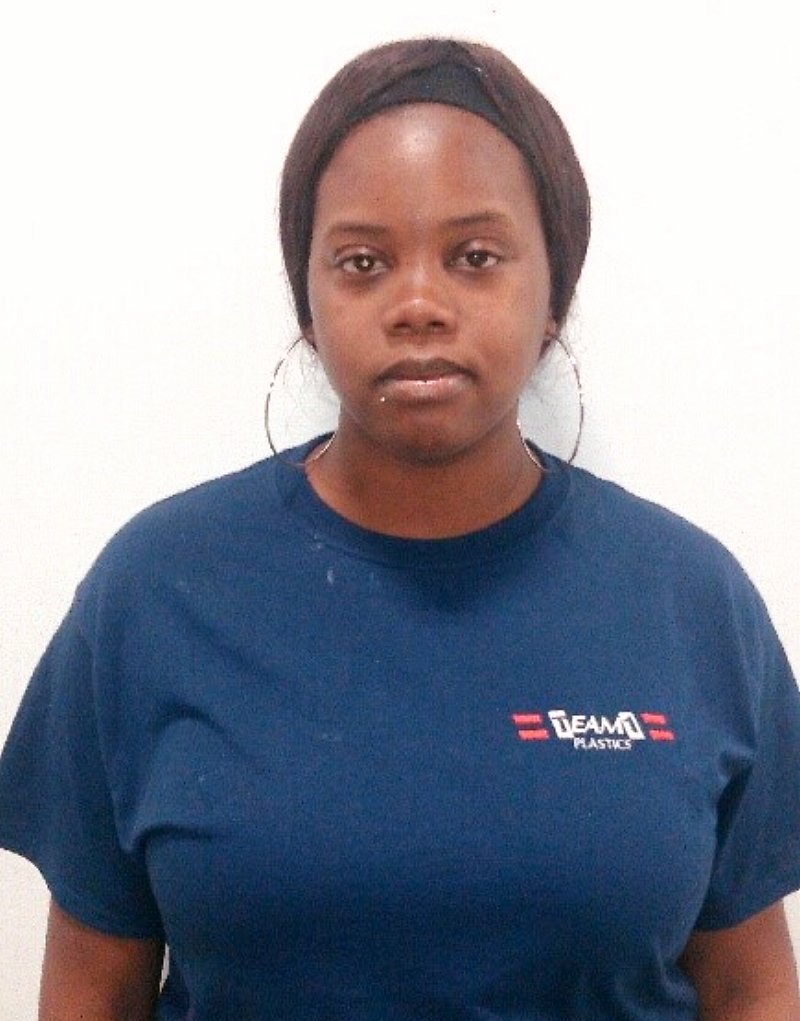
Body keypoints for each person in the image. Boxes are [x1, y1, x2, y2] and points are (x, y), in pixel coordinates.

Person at [1, 36, 799, 1021]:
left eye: (475, 257)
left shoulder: (690, 601)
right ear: (307, 302)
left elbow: (752, 986)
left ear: (553, 291)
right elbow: (89, 992)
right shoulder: (154, 592)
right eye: (363, 262)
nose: (418, 304)